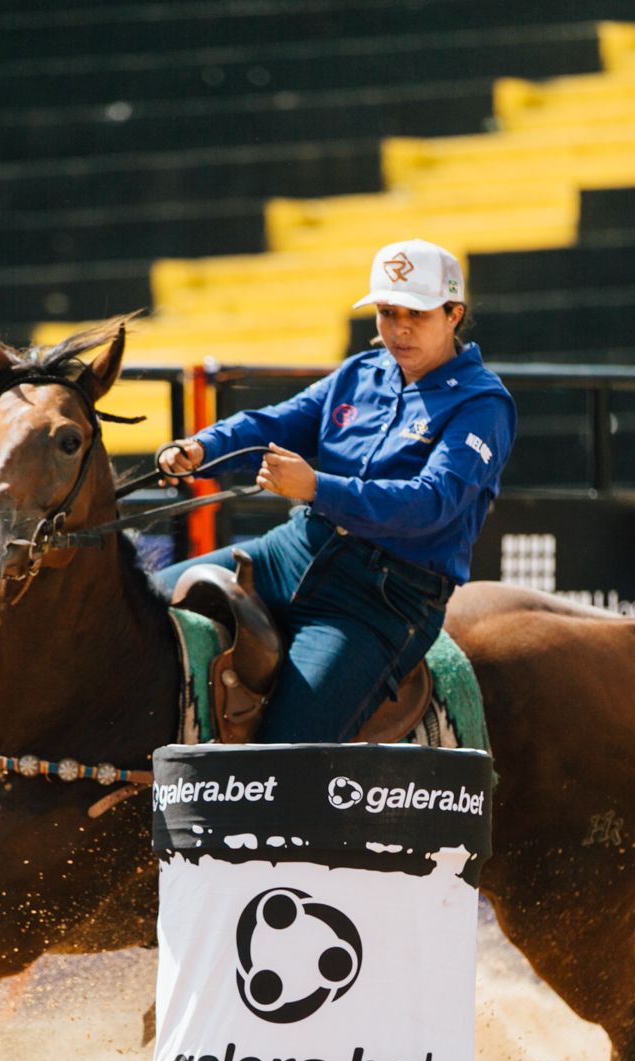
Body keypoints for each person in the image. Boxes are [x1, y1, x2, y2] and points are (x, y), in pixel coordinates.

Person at [151, 238, 514, 742]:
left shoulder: (484, 404)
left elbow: (433, 502)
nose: (399, 328)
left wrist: (317, 487)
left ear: (454, 314)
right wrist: (201, 448)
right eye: (387, 312)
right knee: (144, 606)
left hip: (380, 600)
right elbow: (275, 422)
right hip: (291, 552)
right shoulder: (359, 373)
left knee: (285, 751)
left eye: (417, 314)